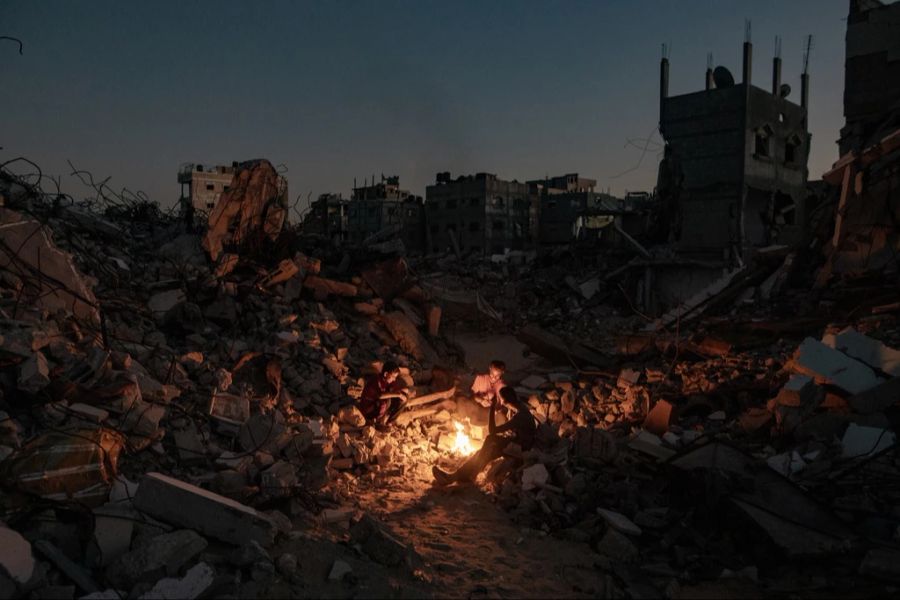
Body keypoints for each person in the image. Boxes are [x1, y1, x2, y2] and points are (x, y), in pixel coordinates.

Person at [433, 386, 535, 486]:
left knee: (489, 441)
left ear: (505, 401)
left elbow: (492, 430)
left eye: (501, 400)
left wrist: (492, 409)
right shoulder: (517, 407)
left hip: (521, 448)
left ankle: (460, 476)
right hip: (516, 442)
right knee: (483, 453)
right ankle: (458, 476)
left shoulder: (520, 415)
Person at [358, 361, 408, 427]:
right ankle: (379, 422)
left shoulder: (388, 380)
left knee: (404, 397)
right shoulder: (376, 381)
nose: (394, 379)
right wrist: (398, 395)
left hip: (378, 405)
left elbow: (394, 389)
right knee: (387, 400)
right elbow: (381, 396)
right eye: (393, 377)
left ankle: (390, 422)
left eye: (395, 377)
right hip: (369, 409)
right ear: (386, 374)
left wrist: (402, 392)